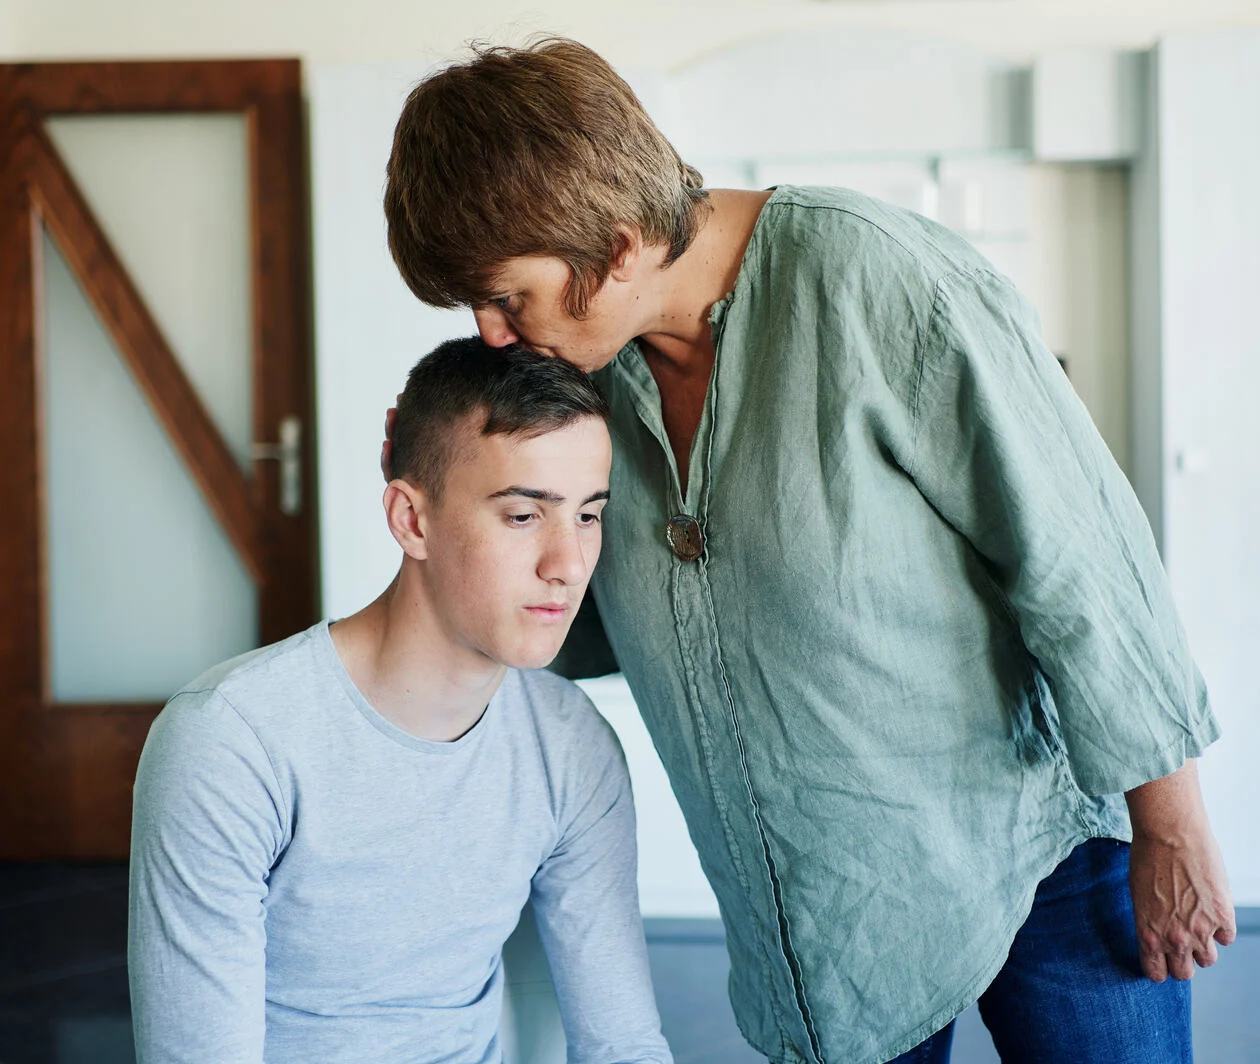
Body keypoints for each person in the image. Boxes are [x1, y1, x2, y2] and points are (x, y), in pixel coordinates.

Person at [380, 39, 1237, 1064]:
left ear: (611, 246)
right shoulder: (588, 380)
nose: (490, 332)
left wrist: (1172, 822)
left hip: (1037, 863)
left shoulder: (879, 279)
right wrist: (454, 492)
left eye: (504, 295)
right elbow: (582, 619)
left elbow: (1080, 550)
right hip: (830, 921)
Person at [128, 338, 673, 1064]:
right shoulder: (229, 741)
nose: (568, 565)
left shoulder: (572, 744)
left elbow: (624, 1044)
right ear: (412, 520)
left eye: (587, 515)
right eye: (522, 515)